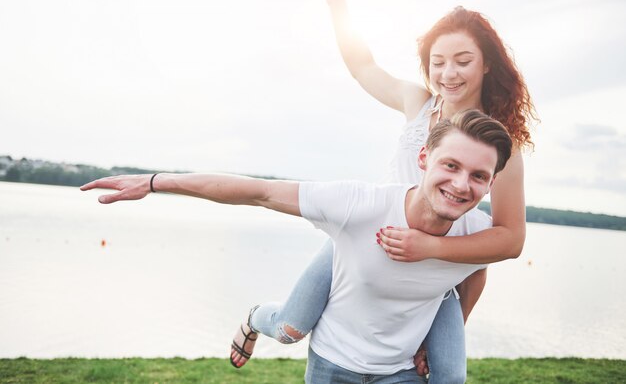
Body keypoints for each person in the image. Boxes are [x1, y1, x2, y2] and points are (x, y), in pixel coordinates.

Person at [228, 0, 538, 382]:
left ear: (486, 65)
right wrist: (339, 5)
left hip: (438, 267)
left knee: (448, 376)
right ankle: (253, 318)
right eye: (438, 62)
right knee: (289, 327)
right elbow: (363, 66)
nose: (449, 74)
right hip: (367, 241)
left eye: (463, 61)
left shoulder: (503, 146)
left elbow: (510, 237)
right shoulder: (418, 102)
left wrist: (428, 247)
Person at [81, 110, 513, 383]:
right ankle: (254, 318)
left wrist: (434, 345)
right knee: (288, 329)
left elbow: (478, 269)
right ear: (424, 159)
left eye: (478, 176)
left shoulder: (479, 234)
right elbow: (257, 192)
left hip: (399, 374)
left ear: (491, 183)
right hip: (332, 365)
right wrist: (156, 182)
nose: (461, 185)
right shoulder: (360, 205)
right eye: (450, 166)